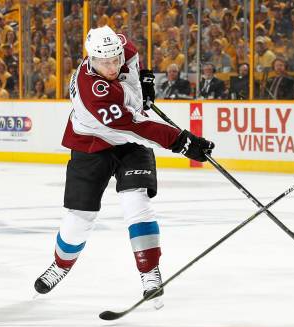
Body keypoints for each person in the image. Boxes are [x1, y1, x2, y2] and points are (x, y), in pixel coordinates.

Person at [34, 26, 215, 307]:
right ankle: (61, 265)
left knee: (135, 200)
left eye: (115, 59)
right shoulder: (92, 89)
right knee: (79, 218)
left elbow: (133, 61)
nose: (112, 65)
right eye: (104, 62)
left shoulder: (122, 49)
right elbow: (135, 126)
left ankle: (149, 272)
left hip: (130, 146)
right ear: (91, 59)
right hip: (92, 144)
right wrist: (181, 141)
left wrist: (144, 82)